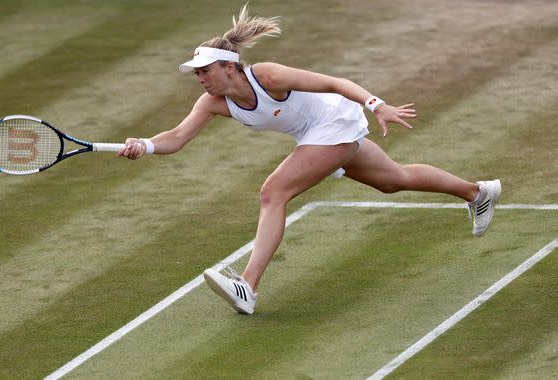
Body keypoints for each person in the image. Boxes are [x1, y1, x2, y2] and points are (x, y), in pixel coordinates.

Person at [118, 5, 501, 315]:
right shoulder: (212, 103)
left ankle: (247, 287)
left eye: (205, 71)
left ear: (230, 67)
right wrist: (145, 144)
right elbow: (176, 138)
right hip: (314, 135)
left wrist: (376, 104)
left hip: (335, 121)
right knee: (392, 179)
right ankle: (478, 192)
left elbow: (334, 83)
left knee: (273, 193)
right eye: (196, 74)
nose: (200, 79)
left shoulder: (267, 75)